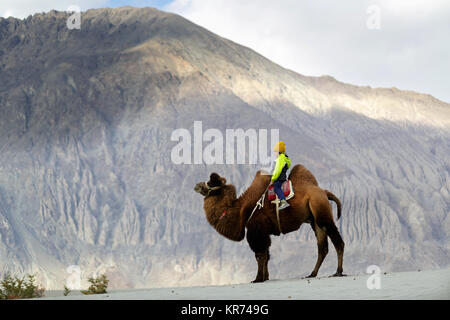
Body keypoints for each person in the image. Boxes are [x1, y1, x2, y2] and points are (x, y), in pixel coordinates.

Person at [270, 141, 291, 210]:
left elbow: (277, 171)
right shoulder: (285, 158)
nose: (274, 153)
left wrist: (273, 179)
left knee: (276, 188)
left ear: (279, 151)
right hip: (283, 177)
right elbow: (288, 166)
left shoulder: (280, 159)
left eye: (275, 151)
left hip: (279, 178)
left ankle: (283, 201)